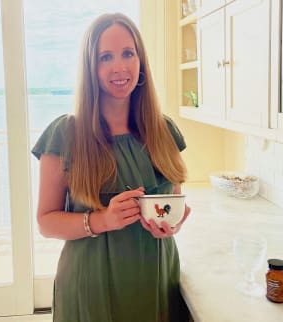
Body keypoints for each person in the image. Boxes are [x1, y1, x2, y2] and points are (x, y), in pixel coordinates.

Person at [31, 12, 192, 322]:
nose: (119, 67)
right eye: (106, 57)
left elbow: (171, 207)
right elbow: (46, 222)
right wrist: (102, 220)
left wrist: (173, 225)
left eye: (128, 54)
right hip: (92, 286)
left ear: (140, 61)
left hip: (156, 280)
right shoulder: (66, 135)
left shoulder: (164, 131)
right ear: (91, 68)